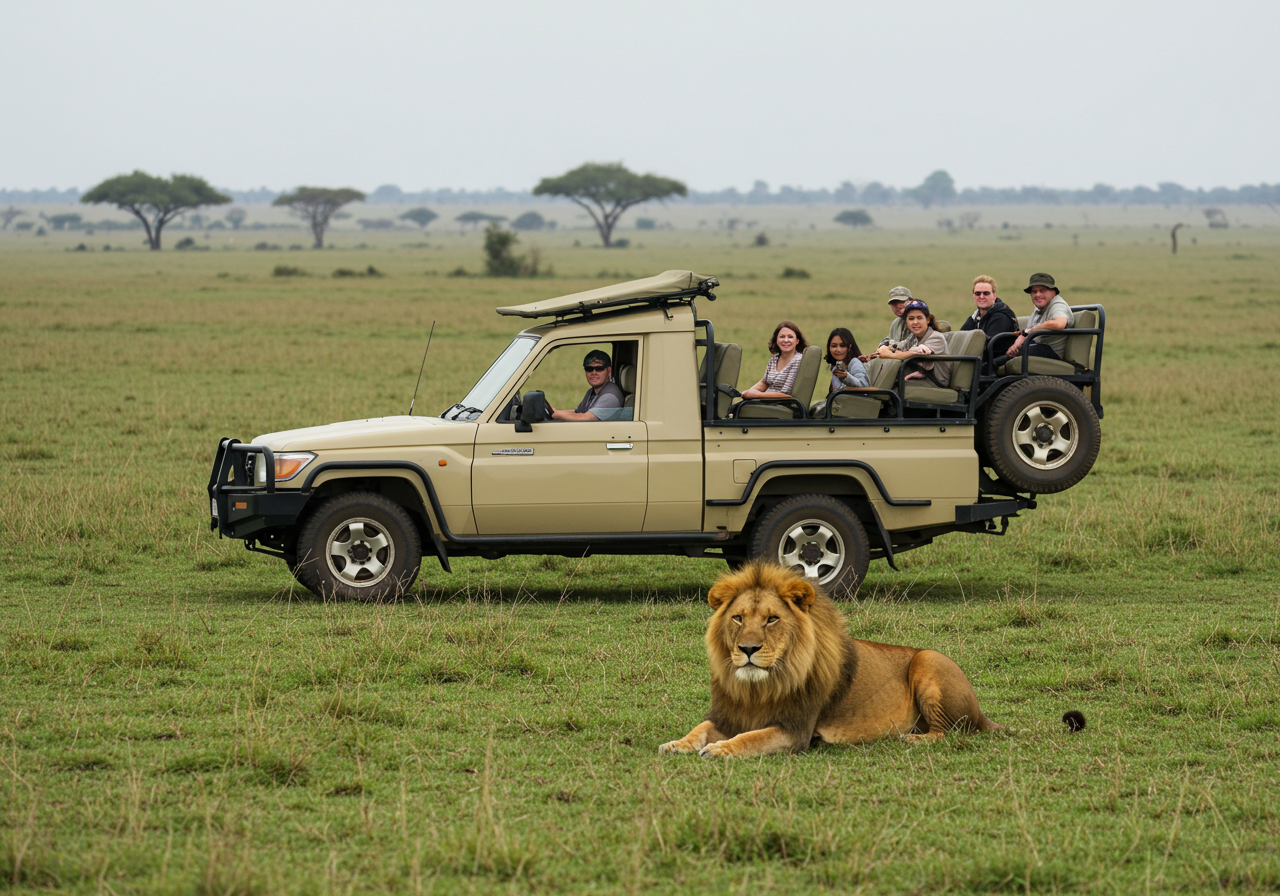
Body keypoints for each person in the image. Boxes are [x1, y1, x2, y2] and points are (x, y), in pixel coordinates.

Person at [874, 299, 951, 387]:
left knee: (893, 388)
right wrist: (885, 347)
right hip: (922, 376)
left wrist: (888, 353)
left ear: (928, 319)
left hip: (936, 382)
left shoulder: (936, 337)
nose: (915, 322)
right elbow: (898, 347)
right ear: (906, 321)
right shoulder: (913, 337)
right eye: (911, 319)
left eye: (919, 318)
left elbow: (917, 353)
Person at [1004, 273, 1075, 362]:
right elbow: (1028, 333)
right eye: (1034, 291)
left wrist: (1032, 330)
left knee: (1023, 351)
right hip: (1037, 347)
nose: (1037, 295)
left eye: (1042, 290)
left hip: (1052, 355)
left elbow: (1059, 323)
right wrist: (1018, 342)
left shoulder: (1058, 305)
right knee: (1002, 350)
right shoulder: (1039, 309)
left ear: (1054, 292)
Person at [549, 349, 625, 421]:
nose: (593, 373)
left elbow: (585, 418)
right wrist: (554, 411)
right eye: (589, 369)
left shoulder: (610, 396)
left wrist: (555, 414)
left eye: (599, 368)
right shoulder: (593, 391)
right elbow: (577, 413)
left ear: (609, 371)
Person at [741, 320, 808, 399]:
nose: (786, 340)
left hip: (783, 403)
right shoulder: (774, 359)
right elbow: (765, 383)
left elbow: (787, 394)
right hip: (767, 400)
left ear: (797, 341)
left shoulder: (798, 360)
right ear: (777, 340)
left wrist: (757, 395)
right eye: (782, 337)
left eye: (790, 337)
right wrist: (748, 392)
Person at [861, 286, 913, 361]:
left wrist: (888, 349)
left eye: (902, 301)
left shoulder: (920, 321)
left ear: (911, 302)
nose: (898, 306)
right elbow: (890, 340)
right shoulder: (896, 323)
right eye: (894, 303)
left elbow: (910, 345)